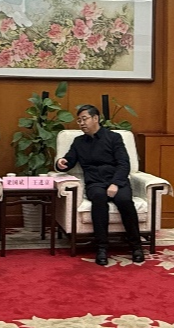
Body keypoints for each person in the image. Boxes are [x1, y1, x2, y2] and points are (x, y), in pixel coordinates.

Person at [55, 104, 145, 266]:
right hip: (95, 183)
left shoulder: (114, 138)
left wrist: (115, 184)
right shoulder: (78, 142)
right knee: (98, 198)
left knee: (125, 201)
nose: (81, 123)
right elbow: (68, 161)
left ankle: (136, 246)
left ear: (95, 118)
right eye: (79, 120)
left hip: (117, 180)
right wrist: (61, 162)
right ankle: (102, 248)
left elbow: (124, 163)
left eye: (84, 119)